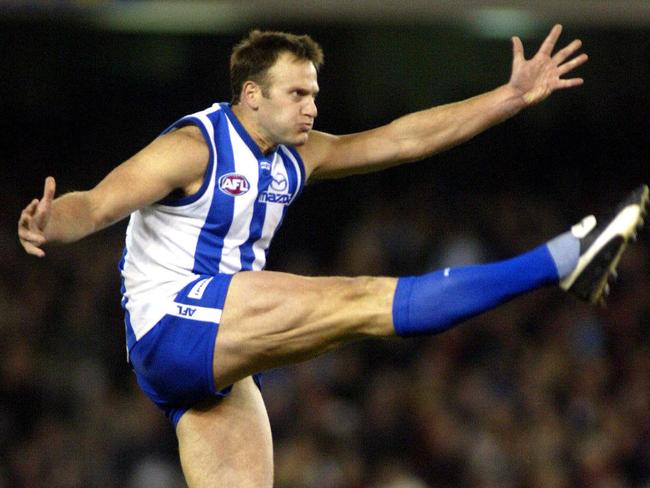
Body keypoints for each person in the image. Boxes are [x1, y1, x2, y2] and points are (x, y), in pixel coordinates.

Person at [18, 25, 647, 487]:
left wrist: (507, 99)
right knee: (361, 300)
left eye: (314, 93)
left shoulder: (300, 155)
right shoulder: (194, 146)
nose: (312, 107)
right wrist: (52, 222)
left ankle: (562, 261)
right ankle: (560, 259)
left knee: (357, 314)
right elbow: (98, 206)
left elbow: (402, 140)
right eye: (296, 94)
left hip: (211, 357)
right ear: (251, 96)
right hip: (174, 325)